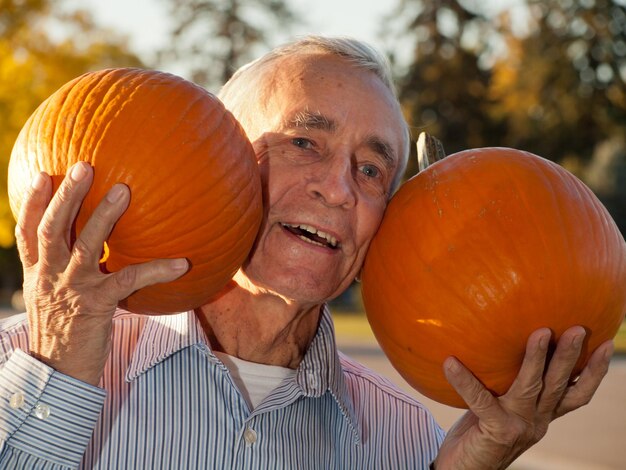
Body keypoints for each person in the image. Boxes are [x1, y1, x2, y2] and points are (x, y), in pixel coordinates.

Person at [0, 35, 612, 469]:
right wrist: (57, 371)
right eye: (303, 141)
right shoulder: (18, 362)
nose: (339, 188)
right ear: (220, 154)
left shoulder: (406, 441)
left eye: (372, 170)